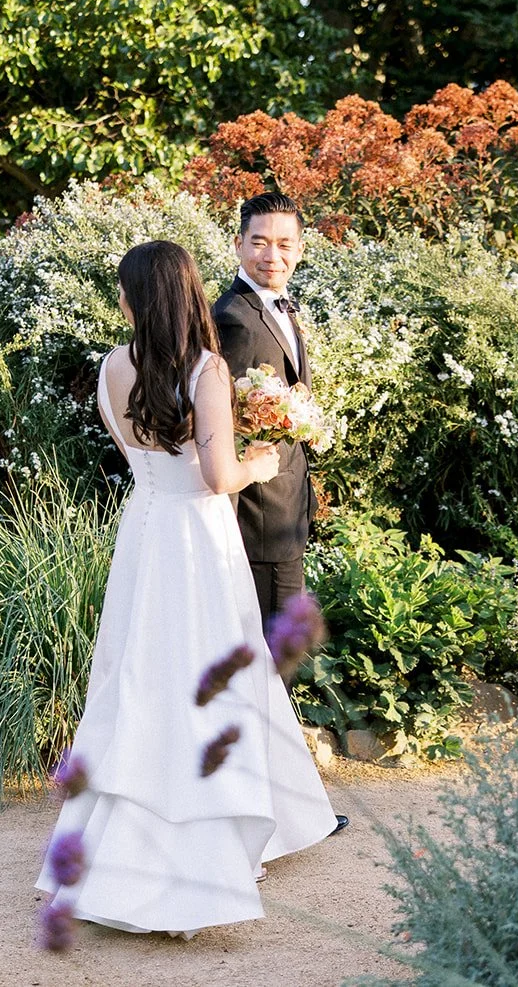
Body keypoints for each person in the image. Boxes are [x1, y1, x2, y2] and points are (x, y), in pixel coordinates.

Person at [35, 240, 341, 938]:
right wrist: (261, 461)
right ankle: (210, 848)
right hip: (199, 543)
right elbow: (216, 476)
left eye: (122, 290)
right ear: (187, 291)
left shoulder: (113, 366)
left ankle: (110, 850)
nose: (118, 300)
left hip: (144, 534)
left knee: (141, 677)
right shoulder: (205, 368)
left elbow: (143, 458)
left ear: (139, 297)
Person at [211, 192, 315, 626]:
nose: (273, 255)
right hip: (259, 521)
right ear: (238, 244)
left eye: (285, 244)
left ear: (300, 249)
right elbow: (218, 425)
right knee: (274, 658)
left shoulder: (277, 306)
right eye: (259, 242)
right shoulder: (234, 318)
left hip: (286, 511)